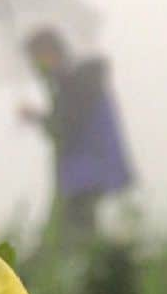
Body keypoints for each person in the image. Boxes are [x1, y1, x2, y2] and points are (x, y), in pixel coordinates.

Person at [19, 28, 134, 247]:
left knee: (73, 234)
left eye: (36, 59)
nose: (35, 67)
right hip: (86, 170)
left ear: (50, 53)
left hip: (86, 171)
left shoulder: (75, 82)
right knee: (78, 231)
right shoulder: (74, 80)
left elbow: (65, 127)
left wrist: (38, 118)